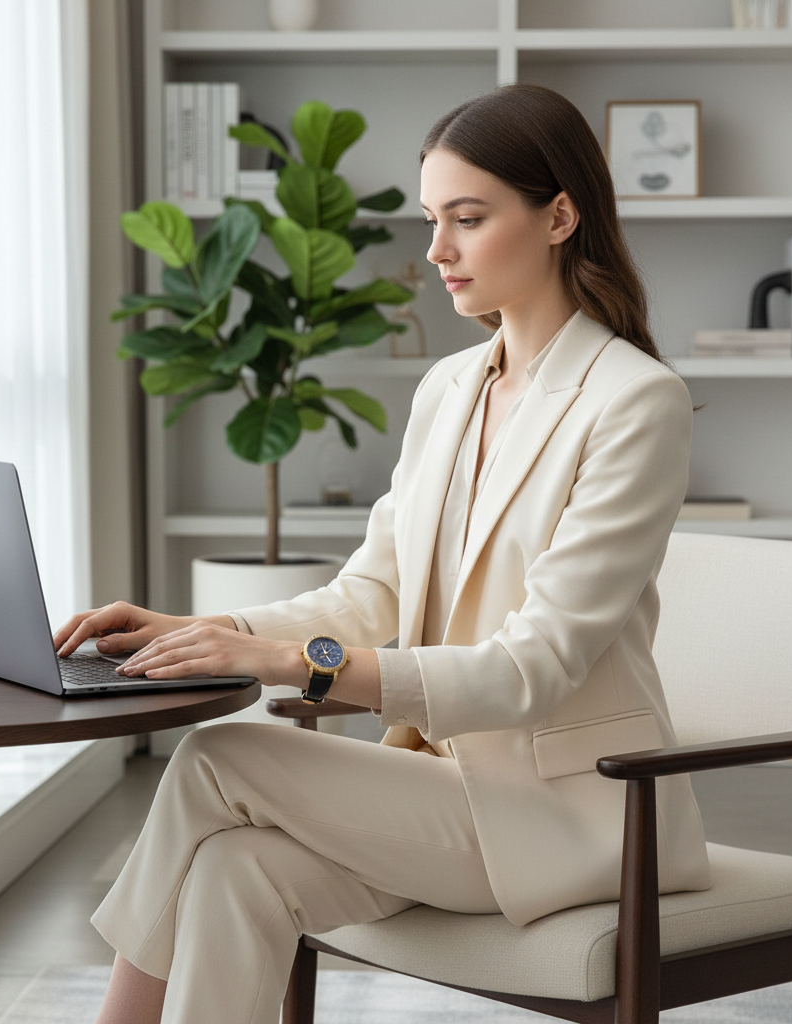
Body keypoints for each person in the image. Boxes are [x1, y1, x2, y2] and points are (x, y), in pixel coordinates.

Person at [54, 83, 712, 1024]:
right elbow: (375, 592)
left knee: (215, 758)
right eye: (432, 219)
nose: (436, 250)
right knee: (238, 870)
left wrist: (294, 666)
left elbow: (536, 668)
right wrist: (207, 628)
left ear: (560, 214)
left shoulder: (633, 402)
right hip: (438, 785)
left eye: (469, 219)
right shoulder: (450, 387)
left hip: (571, 814)